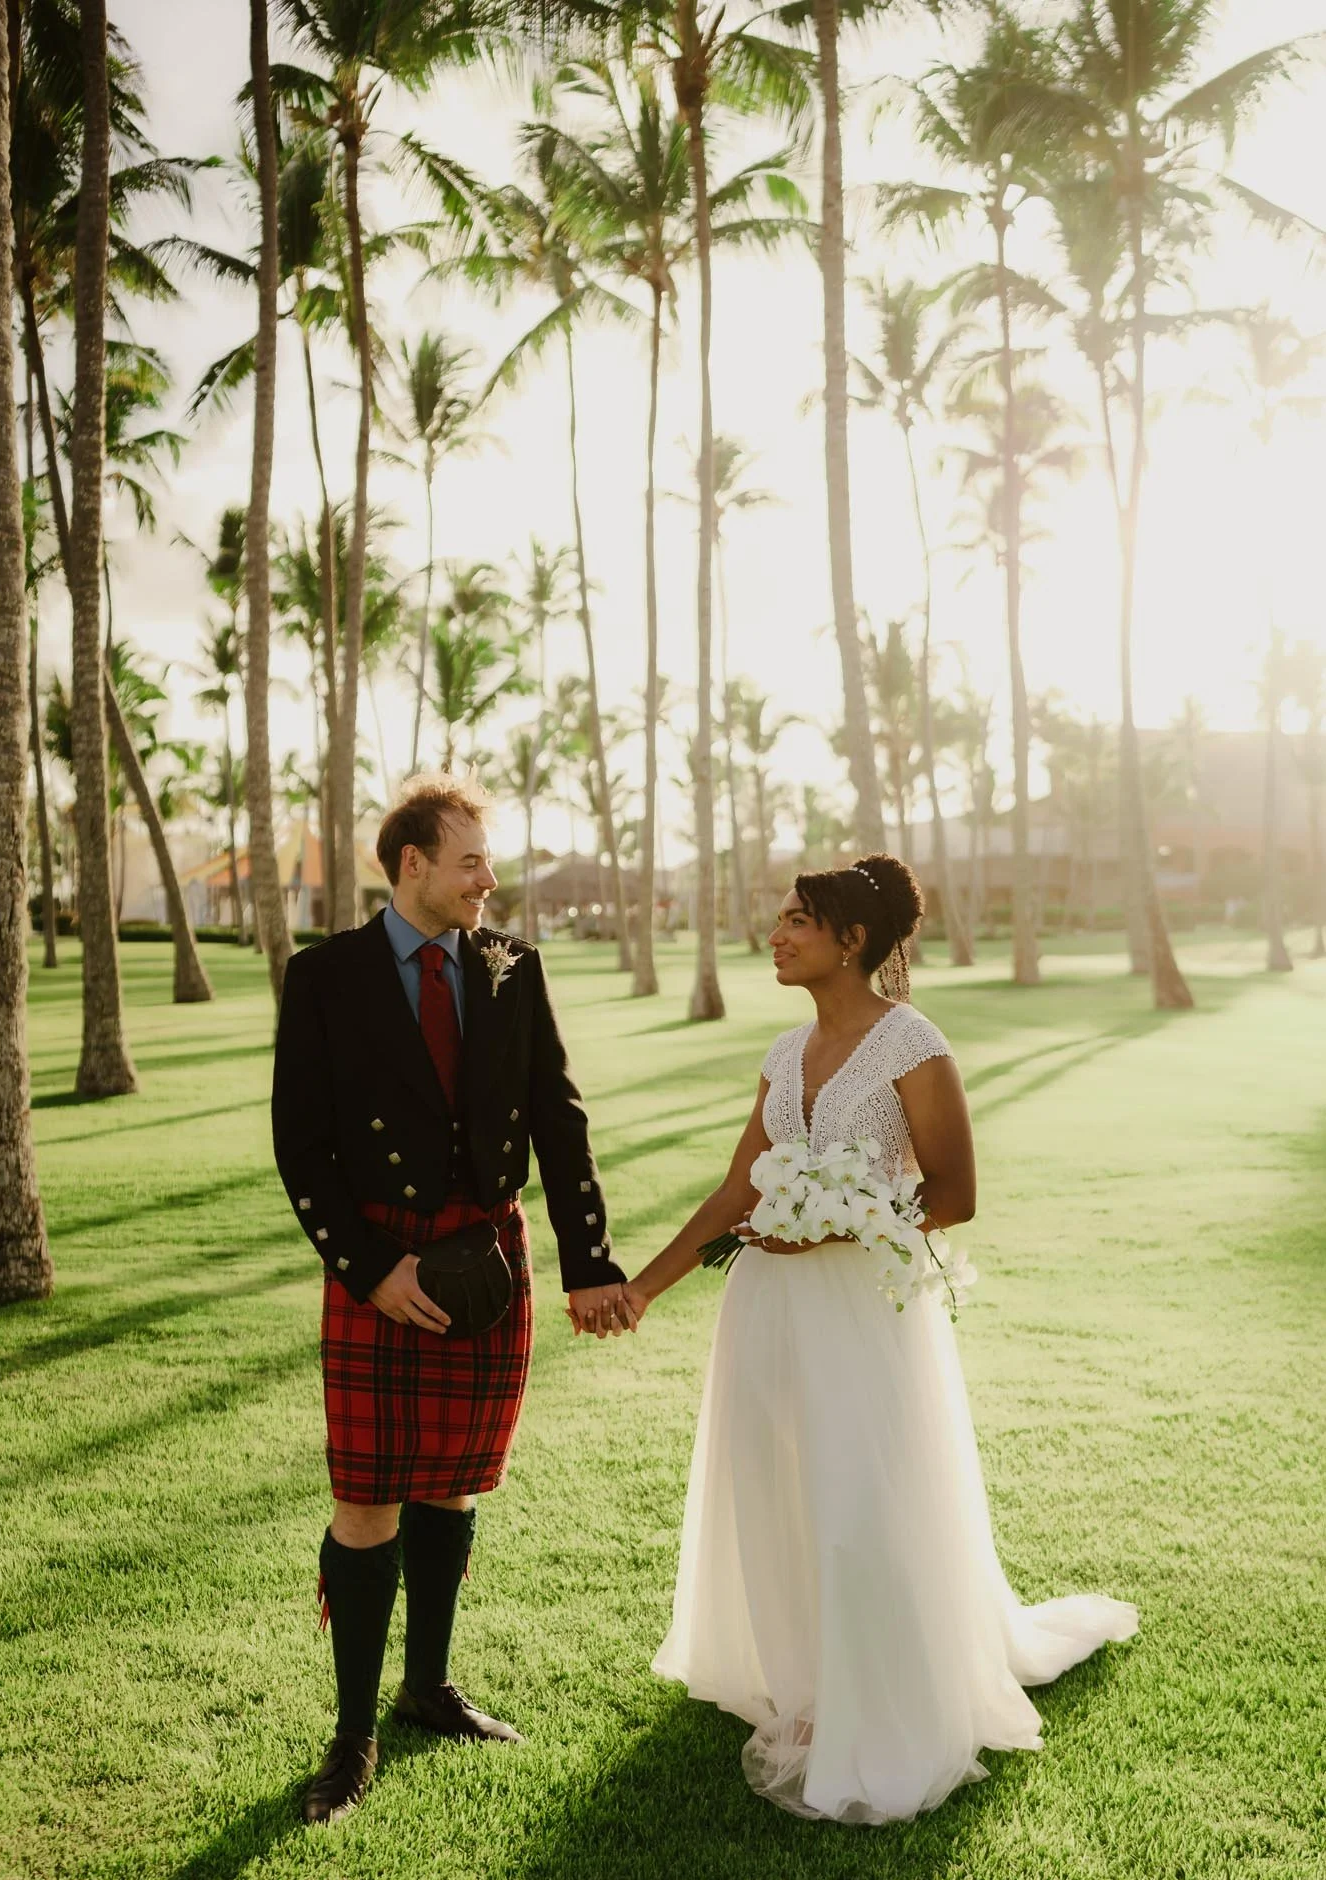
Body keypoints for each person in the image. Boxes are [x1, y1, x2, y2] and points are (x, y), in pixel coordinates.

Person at [623, 854, 1138, 1824]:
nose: (775, 934)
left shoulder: (911, 1041)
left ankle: (882, 1696)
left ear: (851, 939)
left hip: (861, 1312)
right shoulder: (784, 1051)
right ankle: (808, 1679)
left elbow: (954, 1192)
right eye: (779, 919)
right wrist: (643, 1286)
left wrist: (830, 1227)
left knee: (858, 1501)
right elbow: (738, 1188)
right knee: (781, 1489)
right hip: (767, 1306)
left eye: (795, 919)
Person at [272, 777, 633, 1825]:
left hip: (488, 1255)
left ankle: (426, 1687)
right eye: (470, 860)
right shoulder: (327, 974)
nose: (489, 878)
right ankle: (353, 1733)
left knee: (454, 1484)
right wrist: (368, 1268)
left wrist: (590, 1261)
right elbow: (303, 1143)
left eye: (488, 860)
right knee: (368, 1498)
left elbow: (558, 1118)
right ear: (412, 864)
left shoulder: (512, 966)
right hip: (383, 1258)